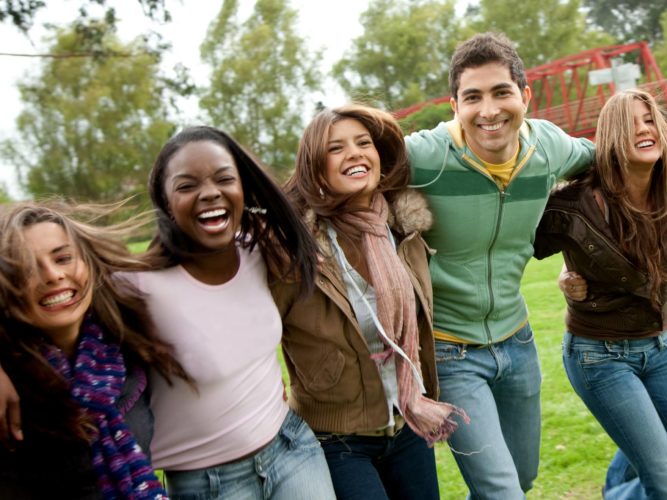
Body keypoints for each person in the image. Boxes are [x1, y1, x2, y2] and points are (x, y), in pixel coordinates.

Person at [405, 32, 595, 498]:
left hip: (518, 342)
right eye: (473, 97)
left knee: (522, 478)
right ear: (455, 105)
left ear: (524, 96)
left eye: (501, 92)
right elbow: (342, 168)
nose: (488, 111)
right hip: (452, 353)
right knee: (502, 491)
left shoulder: (547, 148)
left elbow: (614, 160)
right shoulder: (425, 157)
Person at [275, 103, 467, 500]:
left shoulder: (404, 232)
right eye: (336, 148)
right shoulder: (296, 251)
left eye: (363, 143)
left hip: (407, 424)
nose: (355, 153)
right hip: (337, 437)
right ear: (315, 167)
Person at [134, 125, 336, 499]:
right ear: (164, 201)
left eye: (224, 179)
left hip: (291, 449)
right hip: (207, 483)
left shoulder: (259, 250)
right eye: (186, 185)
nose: (210, 193)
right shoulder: (137, 285)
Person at [0, 201, 188, 499]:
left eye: (63, 258)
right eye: (26, 268)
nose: (52, 275)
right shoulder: (9, 384)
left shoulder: (129, 346)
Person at [535, 88, 667, 499]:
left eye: (650, 119)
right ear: (610, 136)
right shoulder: (574, 205)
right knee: (663, 477)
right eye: (632, 123)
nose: (645, 129)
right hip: (600, 355)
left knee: (653, 460)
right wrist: (565, 269)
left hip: (659, 346)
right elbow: (508, 247)